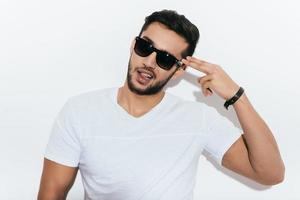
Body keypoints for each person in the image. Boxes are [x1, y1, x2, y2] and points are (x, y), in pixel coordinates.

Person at [38, 9, 285, 200]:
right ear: (133, 46)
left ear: (179, 71)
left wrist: (237, 95)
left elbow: (270, 173)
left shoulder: (197, 118)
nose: (149, 62)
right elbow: (52, 193)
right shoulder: (80, 111)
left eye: (165, 59)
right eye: (145, 47)